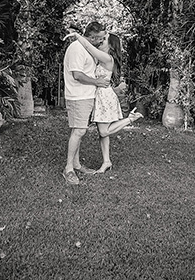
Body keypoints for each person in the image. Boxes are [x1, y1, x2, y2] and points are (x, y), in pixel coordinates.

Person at [68, 31, 143, 173]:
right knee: (102, 132)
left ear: (111, 45)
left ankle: (130, 120)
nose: (101, 40)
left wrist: (79, 37)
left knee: (103, 131)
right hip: (101, 96)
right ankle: (106, 161)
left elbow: (89, 47)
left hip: (105, 98)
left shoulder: (107, 58)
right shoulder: (102, 59)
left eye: (104, 40)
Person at [61, 21, 111, 185]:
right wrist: (97, 82)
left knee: (79, 130)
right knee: (79, 131)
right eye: (101, 38)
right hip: (77, 96)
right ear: (93, 37)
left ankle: (76, 164)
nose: (102, 41)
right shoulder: (76, 48)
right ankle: (68, 168)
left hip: (86, 96)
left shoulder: (86, 48)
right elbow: (77, 75)